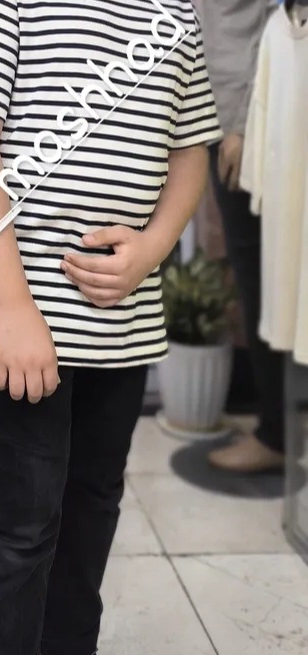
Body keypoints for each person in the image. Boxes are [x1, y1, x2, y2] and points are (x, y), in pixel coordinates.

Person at [0, 1, 222, 655]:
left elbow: (189, 149)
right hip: (18, 315)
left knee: (94, 497)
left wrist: (152, 248)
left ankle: (64, 650)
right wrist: (11, 308)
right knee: (19, 518)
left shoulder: (174, 11)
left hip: (122, 321)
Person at [200, 0, 285, 474]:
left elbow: (279, 20)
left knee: (262, 276)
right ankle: (277, 427)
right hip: (214, 113)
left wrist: (243, 124)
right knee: (252, 270)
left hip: (245, 122)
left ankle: (276, 433)